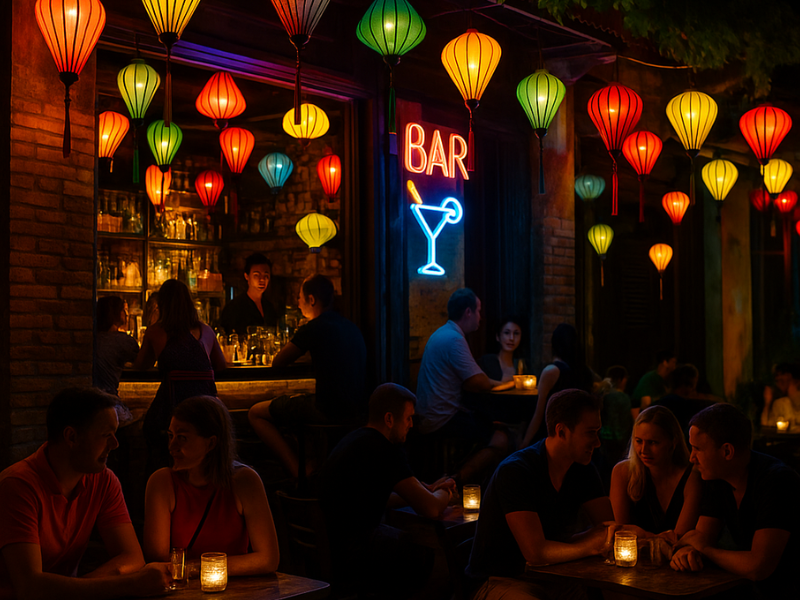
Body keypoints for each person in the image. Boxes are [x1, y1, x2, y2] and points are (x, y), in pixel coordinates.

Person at [0, 388, 171, 600]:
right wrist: (131, 585)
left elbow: (132, 556)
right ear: (71, 437)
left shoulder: (103, 480)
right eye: (106, 435)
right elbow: (29, 587)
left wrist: (77, 588)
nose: (115, 444)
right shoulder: (17, 485)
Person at [466, 389, 615, 599]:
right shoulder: (517, 470)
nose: (598, 442)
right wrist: (591, 546)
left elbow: (609, 528)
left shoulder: (584, 469)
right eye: (590, 432)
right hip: (500, 579)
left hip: (555, 575)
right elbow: (535, 553)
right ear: (561, 431)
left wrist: (649, 537)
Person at [318, 384, 456, 599]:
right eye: (408, 418)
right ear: (390, 419)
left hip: (332, 547)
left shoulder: (355, 439)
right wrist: (445, 492)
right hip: (356, 553)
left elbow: (372, 496)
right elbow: (430, 509)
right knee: (440, 562)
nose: (411, 425)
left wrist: (424, 491)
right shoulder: (384, 450)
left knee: (412, 539)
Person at [671, 403, 800, 597]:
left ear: (727, 452)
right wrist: (688, 553)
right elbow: (701, 537)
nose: (691, 458)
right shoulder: (717, 478)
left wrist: (704, 550)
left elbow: (758, 567)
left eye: (697, 449)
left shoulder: (777, 482)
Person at [144, 396, 279, 576]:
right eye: (170, 436)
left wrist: (193, 569)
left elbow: (268, 559)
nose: (172, 446)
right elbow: (158, 559)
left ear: (211, 443)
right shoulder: (162, 482)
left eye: (182, 438)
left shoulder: (244, 481)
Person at [248, 274, 366, 478]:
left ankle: (299, 473)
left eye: (299, 298)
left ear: (312, 299)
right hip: (357, 409)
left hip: (327, 409)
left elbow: (278, 362)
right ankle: (315, 464)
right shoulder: (351, 326)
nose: (298, 303)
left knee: (255, 413)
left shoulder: (315, 327)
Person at [414, 289, 513, 484]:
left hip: (428, 417)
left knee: (491, 427)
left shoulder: (442, 333)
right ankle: (455, 482)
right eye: (478, 311)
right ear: (468, 312)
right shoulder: (454, 339)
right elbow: (478, 382)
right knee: (501, 438)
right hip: (441, 420)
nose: (481, 317)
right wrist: (500, 383)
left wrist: (498, 383)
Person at [135, 279, 227, 471]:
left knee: (147, 430)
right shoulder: (206, 331)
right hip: (207, 415)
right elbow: (221, 365)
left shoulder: (156, 332)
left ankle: (158, 482)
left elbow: (140, 366)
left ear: (161, 305)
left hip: (169, 414)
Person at [610, 406, 701, 537]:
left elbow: (679, 538)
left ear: (673, 442)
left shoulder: (691, 477)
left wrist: (642, 535)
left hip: (677, 556)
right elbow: (620, 533)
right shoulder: (623, 472)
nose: (643, 450)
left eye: (653, 442)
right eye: (638, 441)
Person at [521, 323, 594, 447]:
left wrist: (524, 444)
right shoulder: (584, 372)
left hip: (553, 437)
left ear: (554, 345)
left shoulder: (551, 371)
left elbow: (539, 414)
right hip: (578, 436)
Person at [219, 253, 279, 336]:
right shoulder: (234, 308)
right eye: (256, 275)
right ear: (247, 276)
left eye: (266, 275)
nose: (262, 279)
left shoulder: (270, 307)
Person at [653, 364, 716, 441]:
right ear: (690, 384)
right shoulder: (686, 405)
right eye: (694, 383)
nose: (694, 388)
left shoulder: (659, 403)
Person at [94, 296, 139, 398]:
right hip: (109, 398)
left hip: (91, 397)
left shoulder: (92, 338)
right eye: (124, 310)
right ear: (116, 314)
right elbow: (142, 364)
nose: (127, 314)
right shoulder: (124, 341)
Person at [596, 365, 633, 484]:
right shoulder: (623, 398)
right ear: (620, 379)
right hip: (619, 444)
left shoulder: (602, 396)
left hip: (603, 442)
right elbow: (623, 422)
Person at [631, 350, 677, 417]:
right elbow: (645, 403)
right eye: (673, 362)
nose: (675, 366)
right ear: (665, 362)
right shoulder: (650, 378)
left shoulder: (667, 380)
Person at [478, 316, 524, 382]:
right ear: (498, 337)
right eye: (507, 333)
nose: (512, 338)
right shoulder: (488, 361)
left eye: (516, 333)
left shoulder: (523, 365)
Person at [761, 362, 800, 428]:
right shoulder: (780, 404)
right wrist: (767, 404)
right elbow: (766, 427)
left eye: (781, 374)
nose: (778, 379)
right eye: (776, 376)